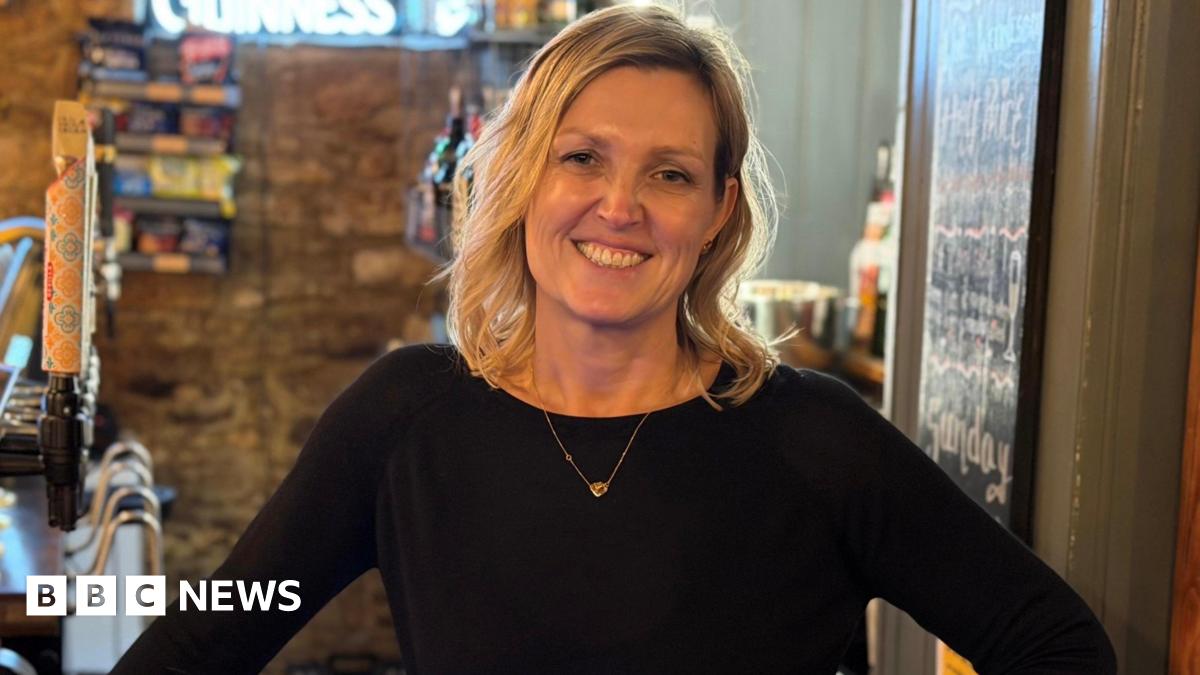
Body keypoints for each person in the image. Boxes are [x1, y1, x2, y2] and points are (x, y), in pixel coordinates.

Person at [112, 4, 1117, 673]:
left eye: (670, 174)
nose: (619, 206)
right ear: (520, 181)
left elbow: (1057, 647)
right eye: (582, 158)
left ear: (718, 211)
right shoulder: (406, 422)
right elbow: (206, 638)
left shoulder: (812, 440)